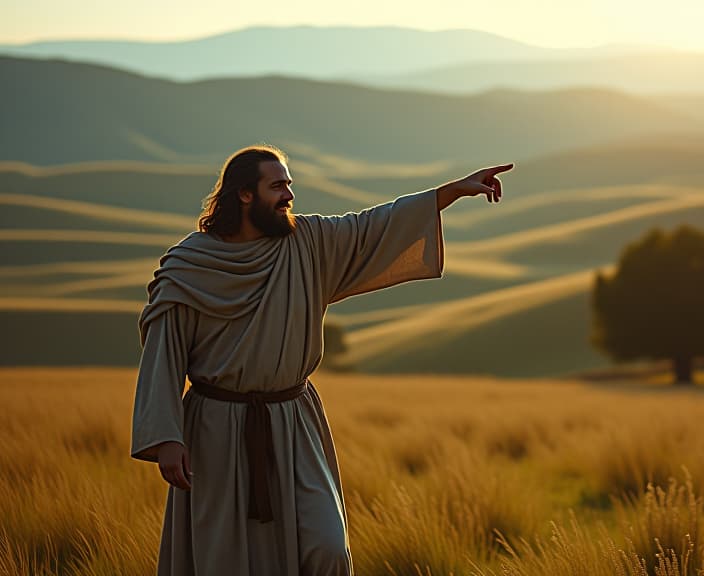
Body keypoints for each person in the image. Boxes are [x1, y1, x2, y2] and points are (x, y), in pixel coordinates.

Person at [130, 144, 512, 576]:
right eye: (277, 186)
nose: (289, 195)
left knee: (327, 546)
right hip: (217, 431)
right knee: (228, 559)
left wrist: (451, 192)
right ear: (244, 195)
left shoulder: (306, 243)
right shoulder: (191, 265)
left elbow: (374, 226)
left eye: (290, 184)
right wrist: (167, 437)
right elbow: (164, 352)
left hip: (294, 424)